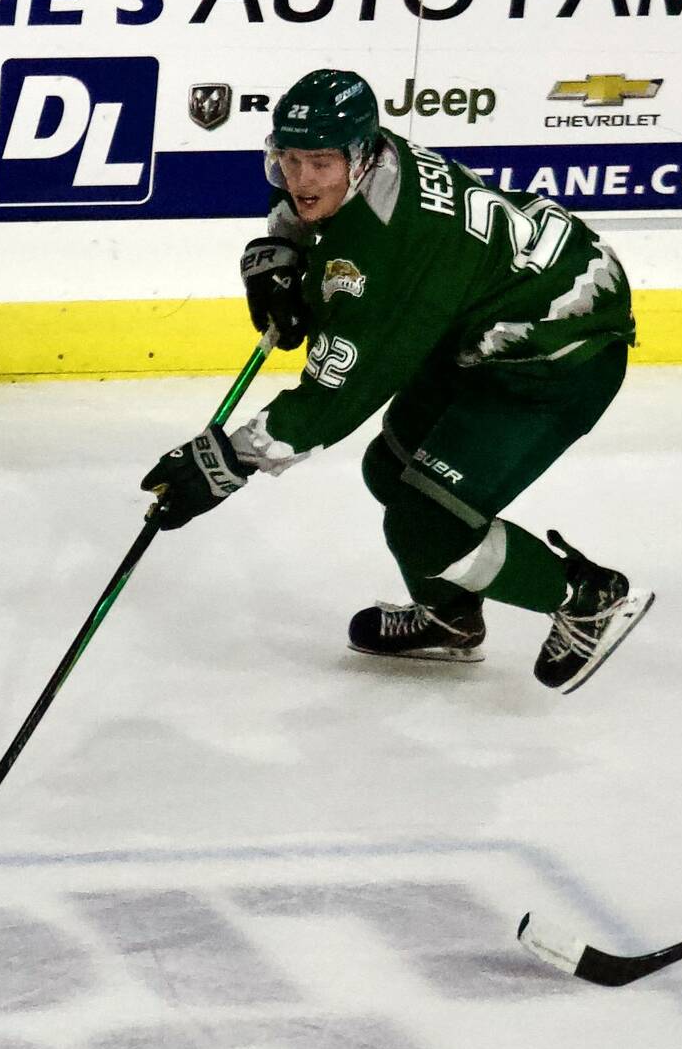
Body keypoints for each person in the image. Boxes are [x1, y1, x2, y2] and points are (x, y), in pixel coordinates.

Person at [140, 68, 652, 693]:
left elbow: (334, 400)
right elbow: (304, 212)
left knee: (426, 525)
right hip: (491, 324)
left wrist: (225, 460)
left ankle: (584, 597)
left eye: (319, 163)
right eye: (288, 159)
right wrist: (282, 254)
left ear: (356, 155)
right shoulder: (378, 162)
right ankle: (451, 618)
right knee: (391, 468)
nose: (301, 180)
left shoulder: (386, 257)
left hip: (554, 360)